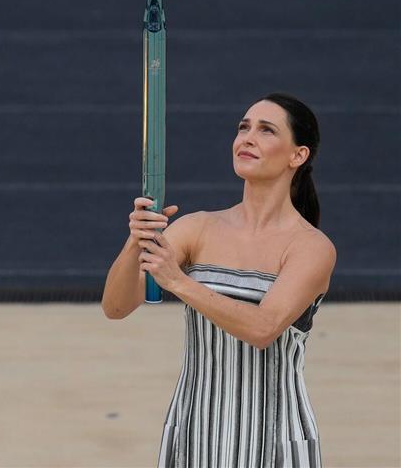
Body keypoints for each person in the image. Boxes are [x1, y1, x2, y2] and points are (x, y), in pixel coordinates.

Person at [101, 92, 335, 468]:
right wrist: (135, 242)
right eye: (243, 127)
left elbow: (263, 328)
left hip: (276, 437)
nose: (247, 138)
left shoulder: (311, 247)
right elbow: (115, 307)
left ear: (298, 155)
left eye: (266, 130)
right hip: (195, 432)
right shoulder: (197, 228)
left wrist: (178, 281)